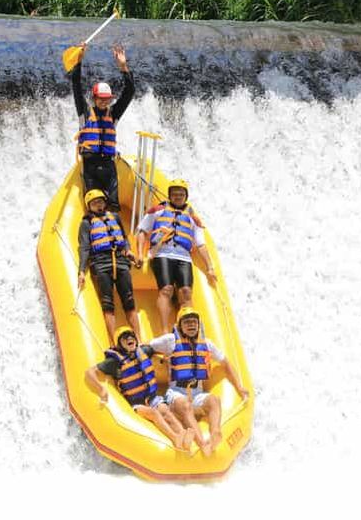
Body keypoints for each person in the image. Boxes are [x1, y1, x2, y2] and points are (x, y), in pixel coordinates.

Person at [149, 307, 249, 457]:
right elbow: (147, 347)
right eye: (187, 322)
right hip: (176, 393)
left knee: (214, 400)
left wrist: (239, 387)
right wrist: (161, 358)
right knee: (184, 404)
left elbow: (225, 362)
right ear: (180, 325)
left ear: (198, 325)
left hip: (197, 393)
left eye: (194, 322)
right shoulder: (170, 340)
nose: (191, 325)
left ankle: (215, 433)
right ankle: (203, 444)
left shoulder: (207, 344)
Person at [85, 326, 194, 451]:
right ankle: (175, 438)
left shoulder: (144, 350)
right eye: (125, 339)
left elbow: (158, 348)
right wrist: (101, 390)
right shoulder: (114, 362)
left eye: (131, 337)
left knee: (166, 411)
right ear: (120, 345)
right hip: (135, 404)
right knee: (154, 413)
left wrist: (167, 357)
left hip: (152, 398)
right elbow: (90, 372)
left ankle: (183, 436)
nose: (129, 339)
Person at [136, 179, 217, 334]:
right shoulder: (158, 210)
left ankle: (188, 332)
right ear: (170, 195)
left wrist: (210, 267)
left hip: (184, 257)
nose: (178, 197)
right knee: (166, 290)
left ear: (186, 196)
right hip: (162, 253)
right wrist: (140, 254)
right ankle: (166, 331)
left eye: (181, 194)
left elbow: (201, 244)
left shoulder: (193, 218)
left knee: (186, 292)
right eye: (175, 194)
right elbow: (142, 231)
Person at [71, 43, 134, 212]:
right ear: (94, 98)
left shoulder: (113, 114)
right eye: (100, 98)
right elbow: (76, 87)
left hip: (108, 165)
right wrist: (78, 61)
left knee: (112, 205)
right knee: (93, 205)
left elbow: (130, 92)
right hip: (90, 166)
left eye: (107, 99)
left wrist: (123, 67)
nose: (104, 101)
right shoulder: (84, 113)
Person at [78, 189, 142, 342]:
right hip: (101, 262)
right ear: (89, 206)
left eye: (100, 201)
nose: (98, 205)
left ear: (105, 202)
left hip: (120, 259)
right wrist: (81, 270)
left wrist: (128, 251)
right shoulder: (86, 223)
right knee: (107, 303)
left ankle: (139, 338)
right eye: (94, 203)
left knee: (129, 299)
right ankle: (113, 341)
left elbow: (124, 238)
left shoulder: (115, 217)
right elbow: (84, 247)